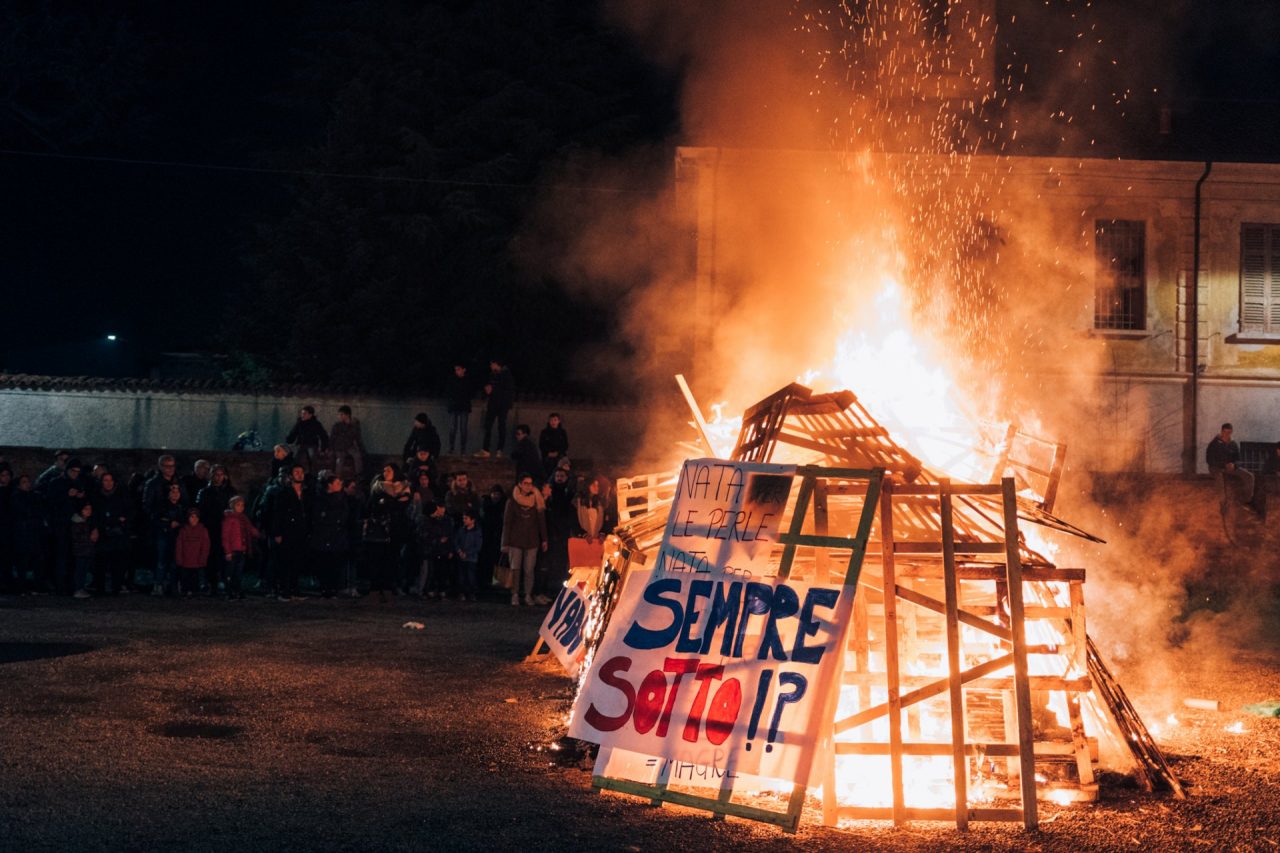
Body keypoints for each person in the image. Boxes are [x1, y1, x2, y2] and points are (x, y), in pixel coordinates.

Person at [502, 474, 547, 606]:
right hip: (515, 540)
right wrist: (505, 542)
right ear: (520, 484)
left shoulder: (537, 500)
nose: (528, 486)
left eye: (530, 483)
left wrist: (544, 539)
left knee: (529, 570)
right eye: (526, 483)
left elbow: (541, 522)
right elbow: (507, 523)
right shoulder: (512, 502)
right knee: (515, 569)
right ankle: (514, 594)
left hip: (532, 540)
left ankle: (527, 594)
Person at [270, 463, 310, 600]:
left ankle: (294, 588)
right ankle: (284, 589)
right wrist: (277, 533)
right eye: (297, 472)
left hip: (300, 532)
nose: (300, 474)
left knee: (296, 561)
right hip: (287, 532)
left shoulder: (306, 493)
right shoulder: (283, 493)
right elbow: (278, 514)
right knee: (285, 561)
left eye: (301, 471)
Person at [309, 472, 352, 598]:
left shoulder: (343, 499)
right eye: (337, 483)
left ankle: (333, 587)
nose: (340, 485)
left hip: (337, 537)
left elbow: (345, 515)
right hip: (325, 536)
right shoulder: (322, 499)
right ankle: (325, 587)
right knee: (325, 563)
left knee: (335, 563)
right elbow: (320, 516)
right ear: (330, 485)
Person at [365, 469, 406, 602]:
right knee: (377, 562)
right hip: (378, 533)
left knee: (388, 562)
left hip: (390, 533)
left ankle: (386, 589)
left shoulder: (395, 497)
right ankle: (376, 590)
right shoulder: (377, 496)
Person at [196, 465, 235, 595]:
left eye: (220, 474)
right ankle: (211, 582)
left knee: (225, 556)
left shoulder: (230, 491)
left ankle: (225, 581)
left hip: (225, 528)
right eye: (215, 474)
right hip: (211, 528)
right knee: (211, 556)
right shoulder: (204, 492)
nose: (218, 477)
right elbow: (201, 510)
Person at [1206, 422, 1259, 516]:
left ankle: (1246, 501)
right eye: (1225, 432)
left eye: (1229, 432)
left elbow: (1238, 459)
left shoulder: (1233, 444)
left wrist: (1234, 465)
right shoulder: (1214, 444)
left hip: (1230, 468)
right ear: (1222, 431)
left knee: (1249, 476)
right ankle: (1223, 505)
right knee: (1220, 480)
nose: (1227, 434)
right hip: (1216, 468)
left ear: (1231, 432)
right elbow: (1209, 460)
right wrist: (1223, 465)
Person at [92, 471, 132, 594]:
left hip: (117, 534)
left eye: (110, 480)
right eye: (105, 480)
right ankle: (100, 587)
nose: (108, 483)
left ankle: (116, 586)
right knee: (101, 562)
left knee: (117, 561)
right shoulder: (97, 497)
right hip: (103, 533)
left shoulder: (121, 496)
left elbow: (128, 513)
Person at [11, 474, 47, 594]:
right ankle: (22, 586)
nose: (27, 484)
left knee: (37, 561)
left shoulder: (34, 496)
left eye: (28, 482)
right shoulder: (16, 497)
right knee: (23, 562)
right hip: (23, 534)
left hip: (34, 534)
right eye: (24, 482)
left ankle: (37, 585)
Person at [412, 500, 453, 599]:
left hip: (429, 550)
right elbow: (425, 537)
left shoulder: (430, 521)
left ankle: (424, 590)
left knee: (429, 571)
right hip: (425, 551)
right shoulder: (425, 521)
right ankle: (420, 591)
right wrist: (438, 540)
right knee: (425, 571)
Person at [221, 495, 260, 600]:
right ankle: (229, 591)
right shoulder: (229, 519)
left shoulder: (243, 518)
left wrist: (258, 534)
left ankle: (237, 590)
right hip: (233, 550)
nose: (241, 507)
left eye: (242, 505)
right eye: (238, 505)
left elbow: (250, 529)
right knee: (230, 572)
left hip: (241, 549)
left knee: (238, 572)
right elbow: (225, 536)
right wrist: (227, 551)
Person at [476, 359, 515, 458]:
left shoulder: (507, 375)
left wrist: (494, 390)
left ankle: (499, 450)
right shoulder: (492, 375)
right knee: (488, 426)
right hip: (492, 404)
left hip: (502, 405)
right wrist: (487, 389)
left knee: (501, 426)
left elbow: (507, 390)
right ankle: (485, 449)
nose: (491, 366)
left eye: (492, 364)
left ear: (497, 364)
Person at [152, 483, 185, 596]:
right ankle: (159, 585)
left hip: (175, 537)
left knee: (174, 562)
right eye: (173, 491)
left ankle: (172, 585)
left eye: (177, 492)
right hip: (164, 536)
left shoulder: (181, 507)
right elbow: (156, 520)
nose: (175, 494)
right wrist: (168, 524)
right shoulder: (161, 506)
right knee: (161, 562)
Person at [175, 508, 210, 598]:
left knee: (195, 578)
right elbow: (179, 546)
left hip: (197, 560)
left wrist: (203, 558)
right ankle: (185, 591)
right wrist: (179, 558)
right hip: (186, 560)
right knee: (185, 577)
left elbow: (205, 545)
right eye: (192, 517)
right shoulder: (183, 530)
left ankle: (195, 591)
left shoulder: (203, 530)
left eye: (196, 517)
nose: (194, 519)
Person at [478, 484, 506, 593]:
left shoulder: (502, 505)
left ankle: (495, 583)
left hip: (497, 537)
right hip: (488, 537)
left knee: (497, 561)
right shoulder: (486, 505)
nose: (495, 496)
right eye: (494, 494)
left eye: (497, 494)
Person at [286, 405, 330, 473]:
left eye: (304, 413)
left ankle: (313, 475)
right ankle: (295, 473)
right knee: (296, 458)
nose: (302, 415)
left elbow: (323, 435)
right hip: (301, 444)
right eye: (302, 413)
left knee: (313, 459)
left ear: (310, 415)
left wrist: (323, 448)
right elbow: (293, 432)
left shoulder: (316, 424)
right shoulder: (300, 423)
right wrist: (289, 440)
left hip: (312, 444)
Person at [69, 501, 98, 599]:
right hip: (80, 550)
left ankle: (81, 587)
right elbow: (77, 537)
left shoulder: (87, 522)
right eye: (86, 509)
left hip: (86, 550)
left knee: (83, 569)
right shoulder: (77, 523)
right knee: (80, 570)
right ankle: (78, 588)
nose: (89, 511)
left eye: (90, 509)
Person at [330, 405, 366, 480]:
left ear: (347, 415)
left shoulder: (354, 425)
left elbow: (357, 437)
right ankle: (337, 478)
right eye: (339, 414)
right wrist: (331, 448)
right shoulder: (337, 425)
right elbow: (332, 437)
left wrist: (361, 449)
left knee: (357, 456)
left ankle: (359, 476)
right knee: (339, 461)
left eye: (341, 414)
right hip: (340, 447)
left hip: (349, 446)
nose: (339, 416)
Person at [454, 511, 482, 602]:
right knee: (461, 576)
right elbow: (456, 541)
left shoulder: (477, 532)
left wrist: (467, 553)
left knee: (471, 576)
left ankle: (471, 593)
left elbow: (478, 546)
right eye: (463, 518)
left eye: (466, 518)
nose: (464, 520)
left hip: (471, 558)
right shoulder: (461, 530)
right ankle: (462, 592)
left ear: (472, 520)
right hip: (462, 557)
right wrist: (459, 551)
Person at [446, 364, 472, 455]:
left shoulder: (467, 380)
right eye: (456, 370)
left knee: (462, 429)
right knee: (453, 428)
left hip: (462, 406)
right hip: (456, 406)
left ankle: (461, 448)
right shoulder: (453, 379)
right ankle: (453, 447)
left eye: (458, 369)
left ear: (464, 369)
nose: (457, 371)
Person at [574, 476, 605, 542]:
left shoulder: (599, 503)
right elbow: (574, 521)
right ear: (587, 486)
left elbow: (601, 521)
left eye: (597, 486)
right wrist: (583, 534)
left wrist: (601, 533)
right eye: (594, 485)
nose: (597, 488)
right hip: (581, 540)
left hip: (595, 540)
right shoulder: (578, 502)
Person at [539, 413, 569, 480]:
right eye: (551, 420)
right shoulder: (544, 432)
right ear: (549, 421)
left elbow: (565, 445)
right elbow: (541, 445)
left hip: (560, 458)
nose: (553, 422)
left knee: (561, 475)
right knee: (549, 476)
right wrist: (548, 453)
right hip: (548, 459)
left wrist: (558, 453)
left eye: (555, 420)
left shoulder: (562, 432)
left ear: (558, 421)